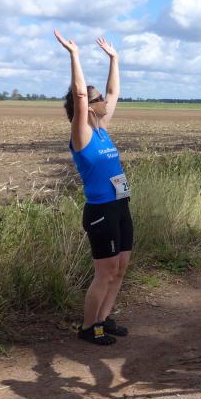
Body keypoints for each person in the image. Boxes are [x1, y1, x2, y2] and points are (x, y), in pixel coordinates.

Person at [55, 30, 132, 346]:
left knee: (120, 269)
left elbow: (114, 91)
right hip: (101, 211)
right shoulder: (82, 134)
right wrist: (75, 54)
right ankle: (89, 327)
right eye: (97, 99)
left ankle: (103, 318)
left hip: (120, 206)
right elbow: (80, 93)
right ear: (86, 106)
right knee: (105, 272)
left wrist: (114, 59)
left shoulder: (101, 129)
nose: (104, 101)